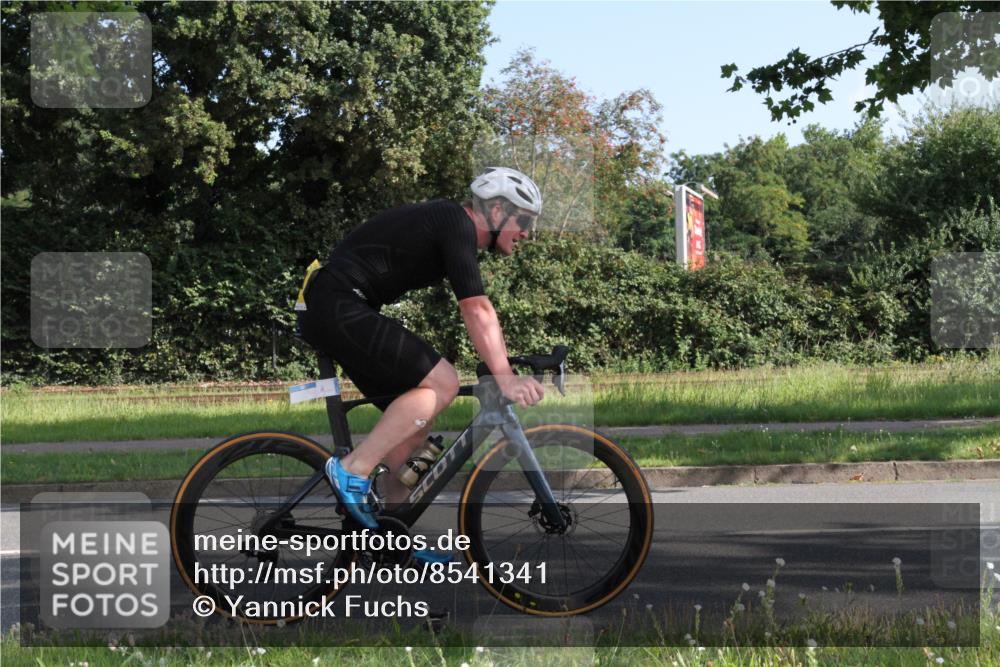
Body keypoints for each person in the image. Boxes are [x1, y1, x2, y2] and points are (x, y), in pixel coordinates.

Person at [297, 167, 546, 535]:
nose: (526, 231)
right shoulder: (455, 221)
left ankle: (392, 535)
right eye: (523, 219)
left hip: (335, 306)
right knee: (444, 382)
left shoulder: (451, 226)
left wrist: (503, 366)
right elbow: (476, 308)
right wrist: (504, 376)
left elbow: (478, 310)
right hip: (338, 303)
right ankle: (352, 470)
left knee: (414, 427)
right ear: (495, 210)